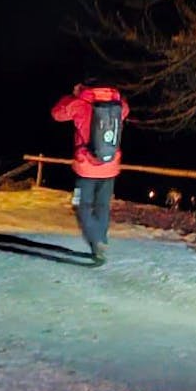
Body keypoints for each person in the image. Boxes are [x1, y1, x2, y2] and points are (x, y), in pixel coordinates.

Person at [51, 78, 130, 264]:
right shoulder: (118, 104)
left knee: (82, 205)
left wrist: (74, 95)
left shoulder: (80, 103)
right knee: (102, 205)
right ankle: (100, 242)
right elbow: (125, 112)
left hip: (86, 168)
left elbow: (57, 114)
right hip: (110, 166)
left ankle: (96, 239)